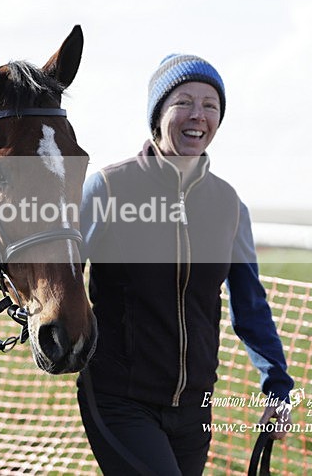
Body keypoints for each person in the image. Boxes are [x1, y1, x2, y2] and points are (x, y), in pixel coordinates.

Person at [76, 53, 294, 475]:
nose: (198, 115)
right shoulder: (107, 188)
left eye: (210, 105)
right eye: (184, 102)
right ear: (158, 115)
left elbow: (251, 308)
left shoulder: (229, 205)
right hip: (120, 398)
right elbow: (59, 275)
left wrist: (277, 386)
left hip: (195, 408)